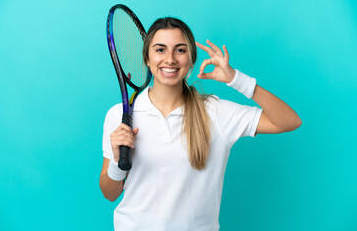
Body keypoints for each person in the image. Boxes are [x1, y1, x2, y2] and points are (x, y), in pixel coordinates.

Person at [99, 17, 301, 231]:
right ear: (147, 59)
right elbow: (110, 193)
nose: (170, 59)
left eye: (180, 50)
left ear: (191, 60)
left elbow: (289, 121)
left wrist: (236, 79)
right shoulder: (120, 115)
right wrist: (116, 161)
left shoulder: (216, 112)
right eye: (160, 50)